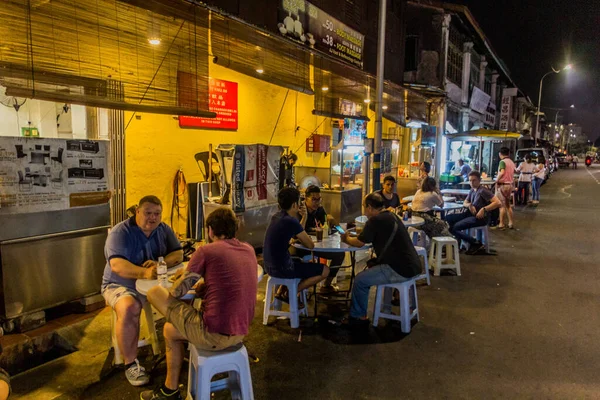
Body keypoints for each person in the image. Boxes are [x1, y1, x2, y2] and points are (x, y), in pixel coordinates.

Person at [140, 207, 257, 400]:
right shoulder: (248, 249)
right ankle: (170, 389)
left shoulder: (206, 250)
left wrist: (179, 279)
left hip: (213, 334)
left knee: (154, 293)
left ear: (210, 230)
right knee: (170, 330)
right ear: (234, 230)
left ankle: (170, 392)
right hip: (241, 332)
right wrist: (207, 285)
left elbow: (178, 292)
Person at [101, 195, 183, 387]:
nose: (152, 218)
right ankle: (130, 364)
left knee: (182, 297)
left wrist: (160, 262)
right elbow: (117, 265)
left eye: (157, 214)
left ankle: (183, 345)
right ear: (137, 212)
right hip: (121, 285)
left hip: (153, 285)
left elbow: (178, 253)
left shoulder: (163, 229)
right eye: (148, 213)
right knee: (129, 308)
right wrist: (144, 272)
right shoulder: (120, 232)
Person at [340, 193, 421, 326]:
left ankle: (358, 317)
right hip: (413, 265)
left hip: (399, 269)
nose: (365, 211)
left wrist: (346, 238)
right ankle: (386, 309)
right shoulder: (391, 216)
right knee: (372, 271)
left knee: (360, 280)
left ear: (370, 207)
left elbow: (360, 242)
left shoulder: (375, 220)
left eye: (364, 207)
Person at [263, 187, 329, 298]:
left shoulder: (277, 216)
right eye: (299, 202)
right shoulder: (290, 220)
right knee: (325, 270)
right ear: (294, 204)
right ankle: (291, 292)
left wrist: (304, 217)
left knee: (304, 263)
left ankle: (282, 291)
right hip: (282, 268)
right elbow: (310, 245)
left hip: (269, 266)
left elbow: (298, 233)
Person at [293, 185, 344, 294]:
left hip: (316, 245)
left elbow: (326, 225)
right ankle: (298, 290)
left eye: (319, 199)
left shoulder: (319, 210)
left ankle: (327, 284)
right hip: (301, 247)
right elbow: (298, 233)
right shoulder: (300, 211)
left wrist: (334, 224)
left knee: (340, 254)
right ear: (306, 199)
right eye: (314, 199)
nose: (317, 202)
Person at [446, 171, 502, 254]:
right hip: (470, 215)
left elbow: (498, 203)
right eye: (470, 180)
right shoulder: (472, 190)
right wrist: (469, 205)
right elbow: (465, 202)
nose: (471, 182)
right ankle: (459, 244)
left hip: (481, 218)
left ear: (479, 180)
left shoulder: (483, 191)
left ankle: (475, 243)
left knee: (454, 228)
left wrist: (484, 209)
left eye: (474, 180)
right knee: (449, 220)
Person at [496, 147, 516, 229]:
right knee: (508, 205)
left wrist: (497, 180)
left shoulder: (502, 162)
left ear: (500, 154)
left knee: (501, 205)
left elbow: (502, 172)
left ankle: (501, 224)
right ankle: (510, 223)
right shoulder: (511, 162)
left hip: (503, 185)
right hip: (510, 185)